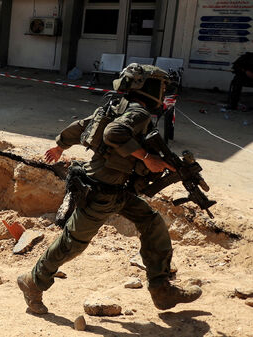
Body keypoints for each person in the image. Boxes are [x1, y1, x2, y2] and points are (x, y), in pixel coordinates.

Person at [18, 64, 202, 315]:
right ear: (148, 87)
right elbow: (112, 133)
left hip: (118, 190)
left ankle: (161, 290)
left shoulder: (116, 106)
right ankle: (32, 282)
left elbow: (82, 126)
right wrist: (147, 157)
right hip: (101, 192)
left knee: (152, 222)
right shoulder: (139, 113)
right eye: (160, 86)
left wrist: (61, 145)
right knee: (73, 243)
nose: (162, 91)